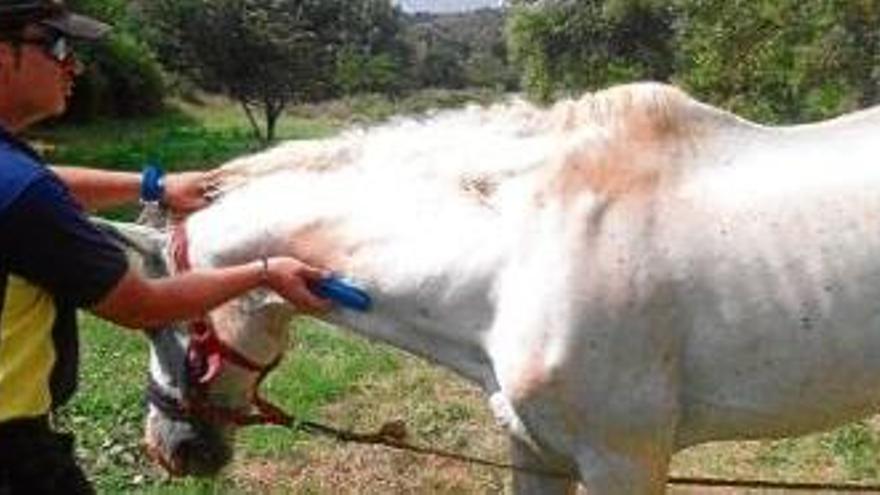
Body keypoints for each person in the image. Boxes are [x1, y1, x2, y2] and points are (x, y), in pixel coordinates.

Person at [0, 1, 331, 493]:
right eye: (58, 46)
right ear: (4, 56)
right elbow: (140, 304)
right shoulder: (23, 193)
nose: (76, 65)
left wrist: (155, 187)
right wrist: (263, 272)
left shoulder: (17, 179)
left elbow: (46, 183)